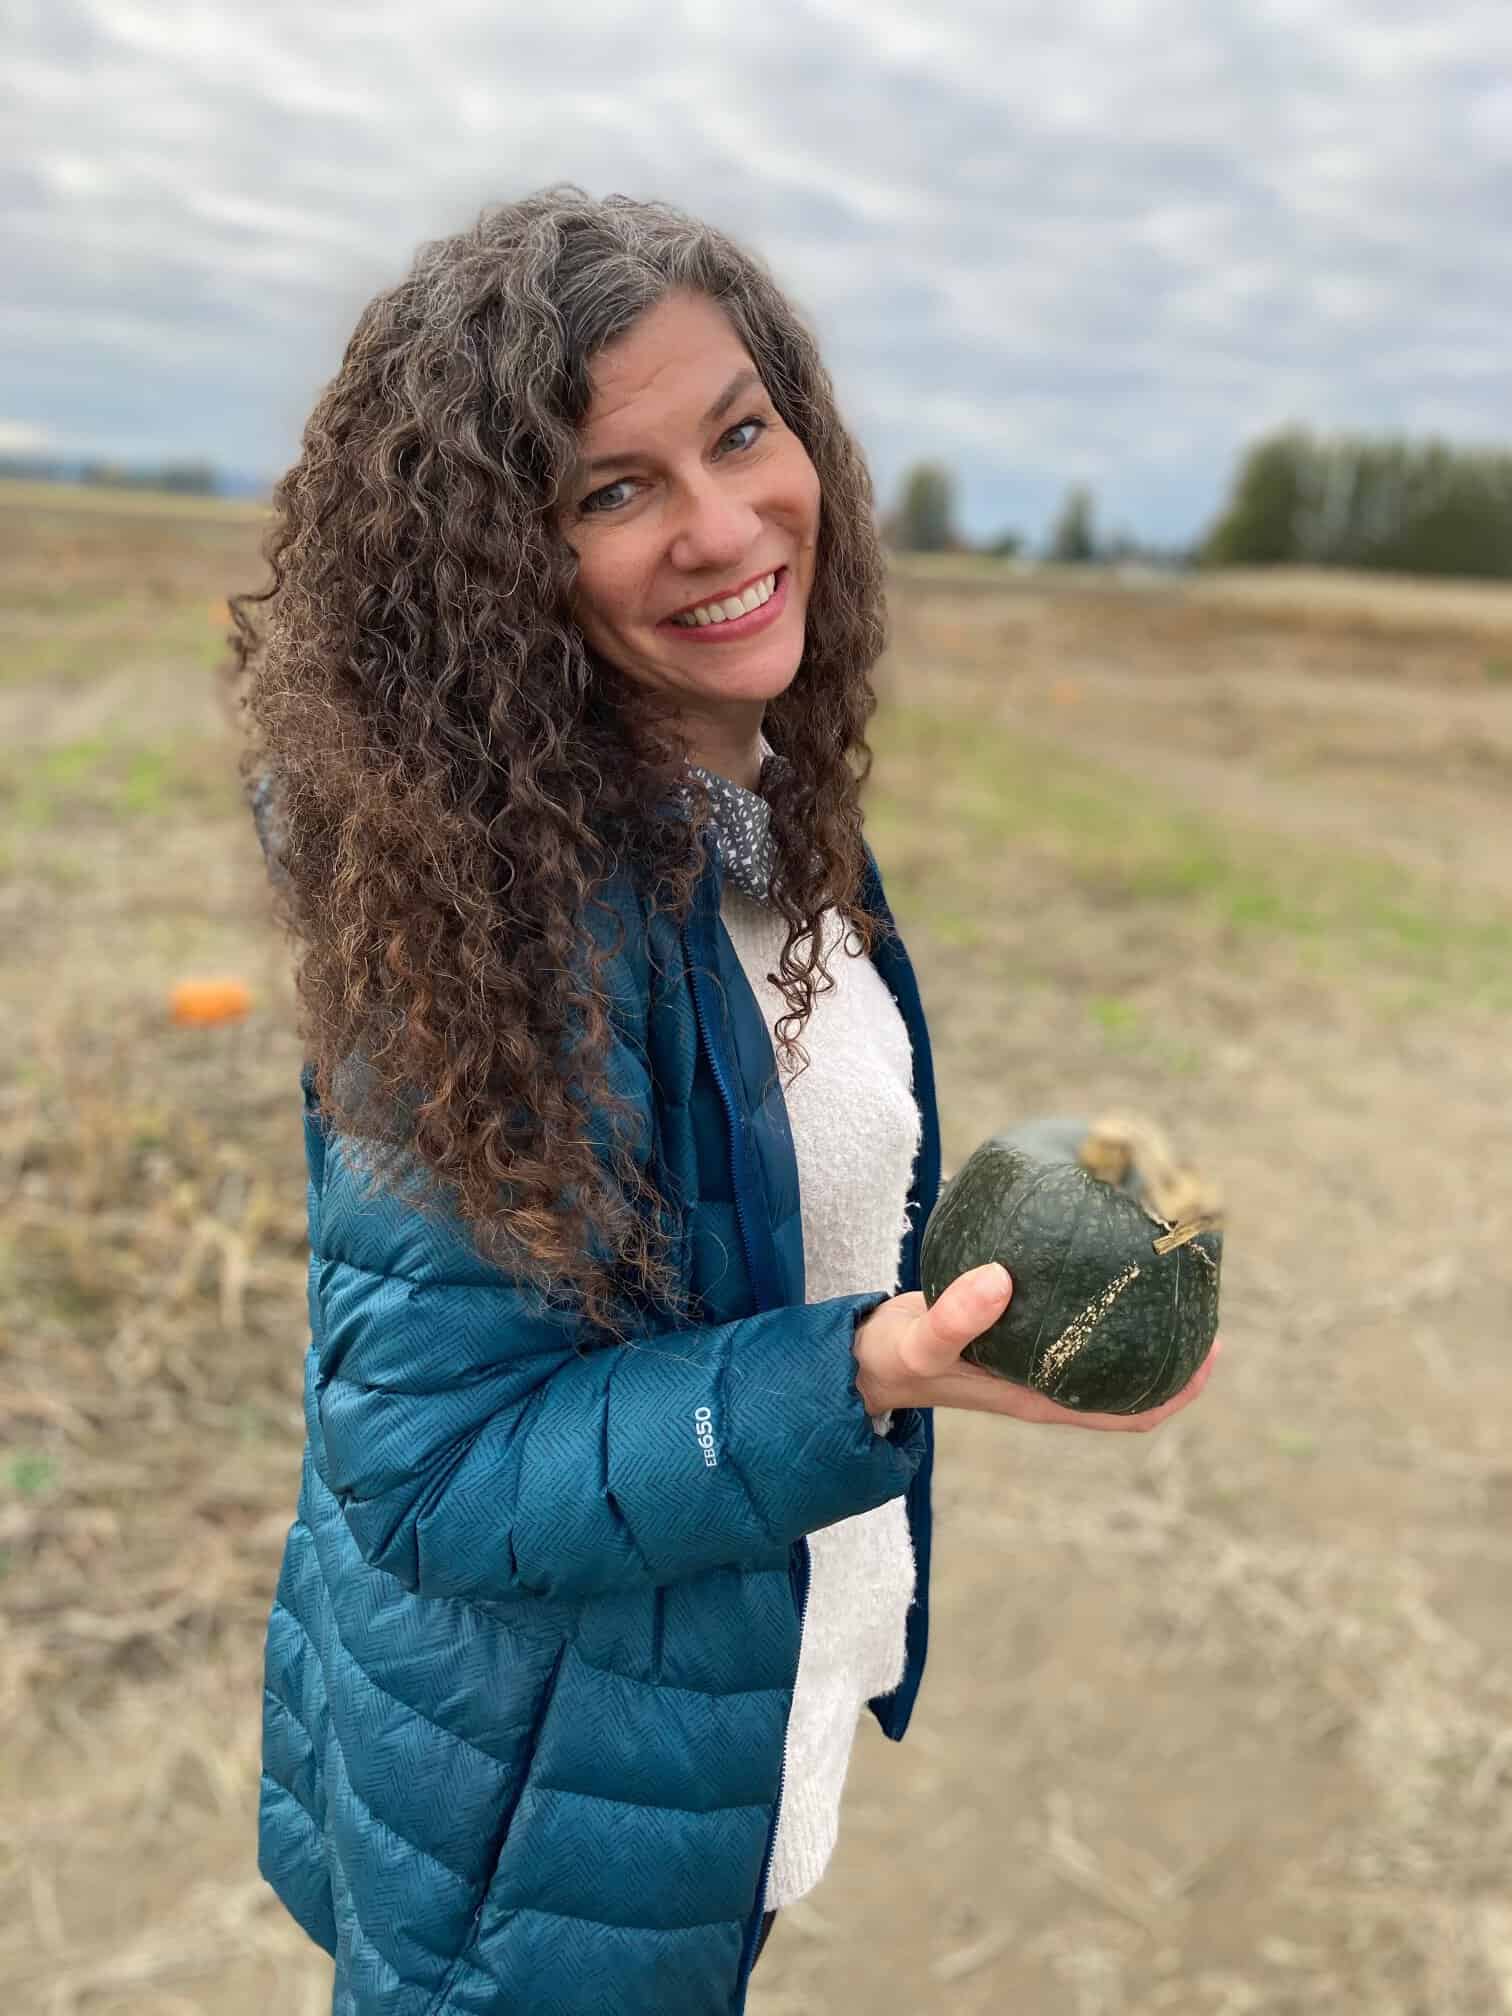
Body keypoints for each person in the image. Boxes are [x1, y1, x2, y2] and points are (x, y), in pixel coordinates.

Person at [236, 186, 1218, 2016]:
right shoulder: (494, 915)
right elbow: (436, 1472)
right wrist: (872, 1372)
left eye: (741, 434)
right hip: (535, 1843)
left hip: (703, 1735)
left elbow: (750, 1207)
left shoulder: (750, 809)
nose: (723, 525)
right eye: (613, 490)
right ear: (488, 560)